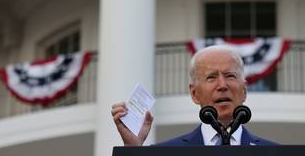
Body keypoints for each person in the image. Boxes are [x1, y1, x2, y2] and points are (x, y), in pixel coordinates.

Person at [111, 44, 277, 146]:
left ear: (244, 91)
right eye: (211, 77)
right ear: (194, 93)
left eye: (230, 76)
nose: (222, 85)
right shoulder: (166, 155)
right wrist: (132, 149)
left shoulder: (274, 155)